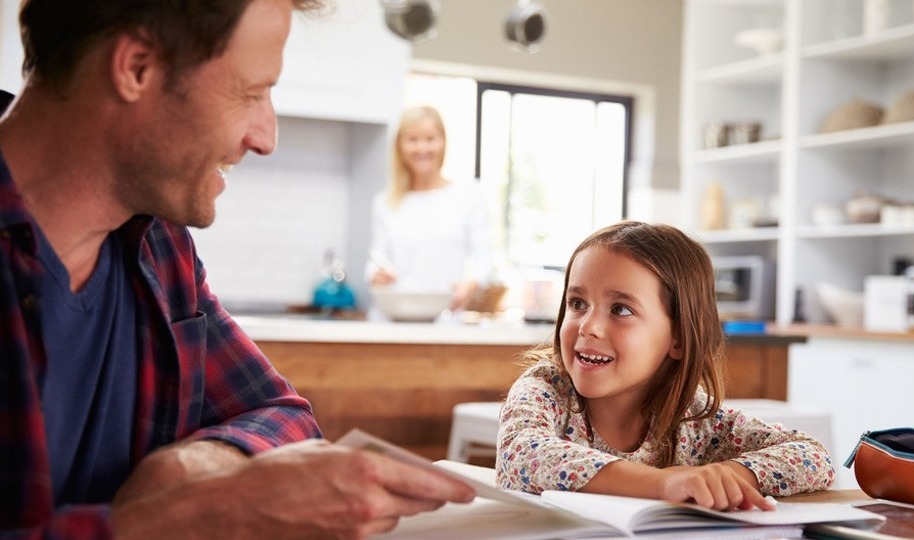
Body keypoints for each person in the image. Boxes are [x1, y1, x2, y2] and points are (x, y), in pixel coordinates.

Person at [0, 0, 474, 538]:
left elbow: (284, 414)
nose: (266, 138)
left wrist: (199, 462)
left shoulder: (160, 245)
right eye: (251, 93)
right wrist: (190, 518)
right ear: (136, 68)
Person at [496, 221, 835, 510]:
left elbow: (811, 457)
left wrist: (723, 479)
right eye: (577, 303)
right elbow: (522, 457)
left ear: (679, 339)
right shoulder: (544, 390)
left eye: (620, 310)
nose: (588, 326)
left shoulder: (693, 415)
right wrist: (662, 484)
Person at [365, 106, 492, 313]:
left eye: (430, 139)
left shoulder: (469, 197)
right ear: (400, 146)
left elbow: (484, 260)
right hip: (392, 321)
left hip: (445, 320)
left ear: (443, 142)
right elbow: (374, 260)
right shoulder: (384, 202)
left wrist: (470, 285)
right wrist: (376, 275)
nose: (422, 148)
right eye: (413, 140)